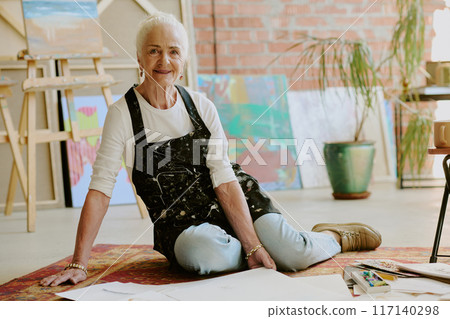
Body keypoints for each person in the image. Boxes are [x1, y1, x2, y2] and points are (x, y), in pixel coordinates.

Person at [40, 11, 381, 287]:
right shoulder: (122, 114)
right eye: (154, 50)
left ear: (184, 60)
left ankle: (334, 236)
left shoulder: (201, 106)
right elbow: (100, 189)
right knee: (207, 258)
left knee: (292, 253)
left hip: (234, 201)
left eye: (173, 51)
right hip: (182, 224)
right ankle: (255, 243)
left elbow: (223, 177)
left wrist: (253, 243)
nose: (164, 60)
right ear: (140, 57)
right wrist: (78, 263)